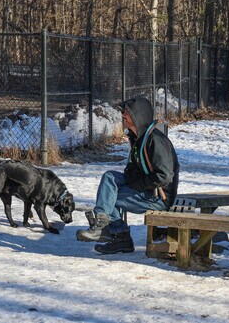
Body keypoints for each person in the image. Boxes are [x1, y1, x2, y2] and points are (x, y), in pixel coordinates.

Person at [76, 97, 178, 254]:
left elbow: (164, 177)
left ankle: (120, 236)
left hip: (158, 197)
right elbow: (132, 168)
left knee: (110, 199)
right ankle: (104, 224)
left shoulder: (156, 140)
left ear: (139, 115)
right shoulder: (138, 138)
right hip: (144, 188)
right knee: (109, 177)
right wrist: (133, 177)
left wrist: (137, 182)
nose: (123, 115)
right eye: (123, 112)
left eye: (127, 113)